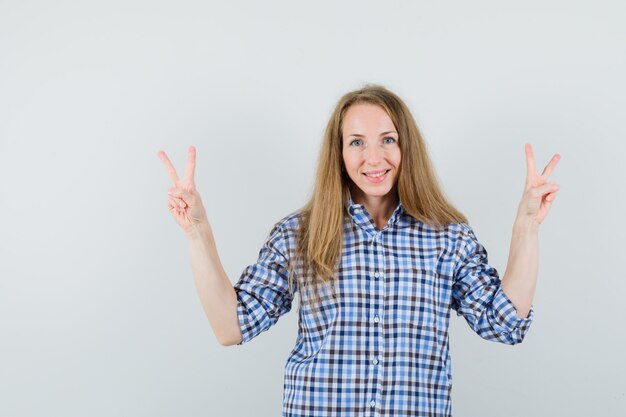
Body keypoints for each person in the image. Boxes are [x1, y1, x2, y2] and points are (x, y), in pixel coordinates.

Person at [157, 84, 561, 417]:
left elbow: (505, 324)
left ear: (407, 149)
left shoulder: (448, 237)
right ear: (339, 153)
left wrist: (526, 225)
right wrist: (198, 232)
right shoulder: (300, 233)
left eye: (388, 139)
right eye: (356, 142)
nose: (374, 157)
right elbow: (232, 326)